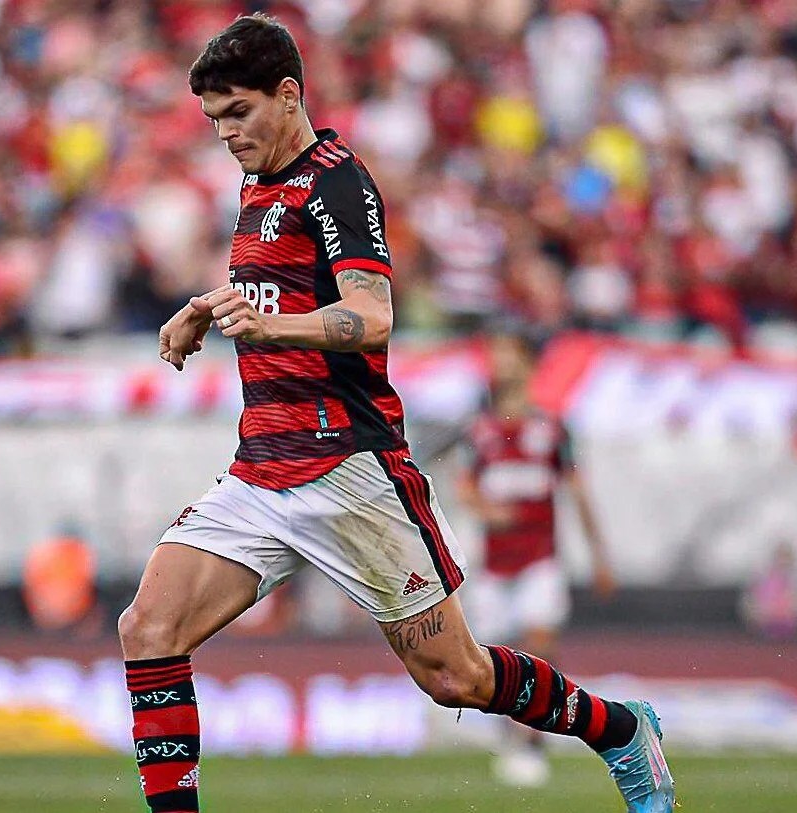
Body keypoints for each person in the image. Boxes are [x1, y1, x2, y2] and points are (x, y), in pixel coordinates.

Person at [117, 14, 674, 813]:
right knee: (148, 628)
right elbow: (282, 286)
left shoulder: (338, 183)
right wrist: (210, 306)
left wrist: (269, 323)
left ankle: (619, 728)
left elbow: (372, 316)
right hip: (262, 471)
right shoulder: (256, 183)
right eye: (214, 119)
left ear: (288, 95)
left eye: (238, 112)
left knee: (457, 676)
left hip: (349, 468)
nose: (226, 133)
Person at [456, 332, 617, 787]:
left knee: (539, 647)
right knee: (494, 662)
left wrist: (600, 556)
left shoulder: (553, 430)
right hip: (494, 564)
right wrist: (487, 510)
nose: (498, 362)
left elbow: (578, 491)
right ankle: (512, 737)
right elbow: (465, 486)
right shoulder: (480, 430)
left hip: (540, 558)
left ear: (528, 363)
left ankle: (530, 743)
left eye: (507, 353)